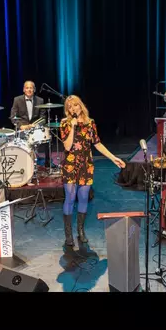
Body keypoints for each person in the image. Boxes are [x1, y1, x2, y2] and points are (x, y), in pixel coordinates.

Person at [60, 95, 125, 247]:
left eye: (75, 105)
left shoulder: (90, 123)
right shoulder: (65, 124)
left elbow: (97, 144)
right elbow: (67, 147)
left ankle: (81, 231)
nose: (73, 108)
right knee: (70, 198)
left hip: (86, 165)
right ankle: (68, 235)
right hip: (70, 165)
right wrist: (73, 127)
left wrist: (113, 158)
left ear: (80, 105)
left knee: (83, 198)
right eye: (69, 107)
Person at [9, 80, 49, 166]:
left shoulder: (40, 100)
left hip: (35, 129)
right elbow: (13, 117)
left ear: (34, 90)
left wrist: (36, 125)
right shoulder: (17, 100)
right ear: (24, 90)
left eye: (31, 88)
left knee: (48, 138)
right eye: (27, 88)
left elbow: (43, 118)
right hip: (22, 129)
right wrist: (21, 126)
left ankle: (47, 163)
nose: (29, 90)